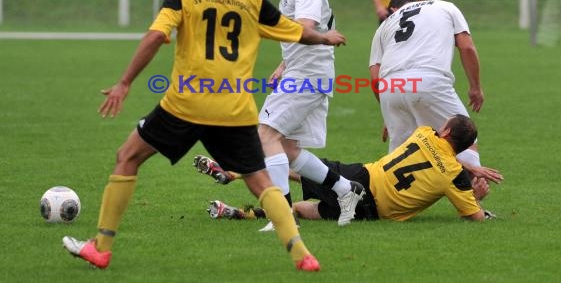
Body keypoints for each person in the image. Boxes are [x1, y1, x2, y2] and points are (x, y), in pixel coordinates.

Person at [61, 0, 349, 272]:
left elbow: (155, 36)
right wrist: (324, 38)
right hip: (233, 108)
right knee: (260, 180)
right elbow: (297, 31)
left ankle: (101, 247)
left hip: (185, 104)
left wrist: (124, 82)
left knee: (127, 157)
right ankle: (303, 256)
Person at [249, 0, 364, 229]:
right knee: (285, 148)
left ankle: (283, 215)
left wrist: (322, 39)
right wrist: (283, 64)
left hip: (308, 76)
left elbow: (305, 28)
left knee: (264, 136)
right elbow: (299, 34)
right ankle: (345, 189)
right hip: (301, 72)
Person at [201, 115, 502, 222]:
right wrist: (477, 195)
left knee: (302, 166)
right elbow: (474, 216)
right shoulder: (455, 175)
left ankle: (234, 172)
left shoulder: (424, 133)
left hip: (361, 180)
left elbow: (437, 151)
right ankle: (238, 213)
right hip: (371, 213)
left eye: (444, 125)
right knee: (304, 209)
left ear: (445, 132)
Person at [369, 0, 489, 178]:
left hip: (390, 87)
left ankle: (387, 204)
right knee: (464, 135)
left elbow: (375, 76)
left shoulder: (385, 24)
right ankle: (474, 199)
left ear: (393, 8)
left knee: (400, 157)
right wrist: (475, 87)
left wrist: (388, 111)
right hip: (428, 81)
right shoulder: (445, 6)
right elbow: (466, 47)